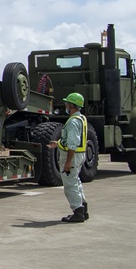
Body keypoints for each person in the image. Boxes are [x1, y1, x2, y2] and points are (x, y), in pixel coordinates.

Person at [47, 92, 89, 223]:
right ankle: (83, 208)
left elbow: (72, 144)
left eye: (67, 103)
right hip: (80, 155)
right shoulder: (81, 118)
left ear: (72, 105)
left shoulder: (72, 122)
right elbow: (71, 141)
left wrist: (68, 162)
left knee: (70, 185)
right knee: (76, 182)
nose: (65, 105)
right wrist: (58, 144)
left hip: (72, 156)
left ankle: (78, 212)